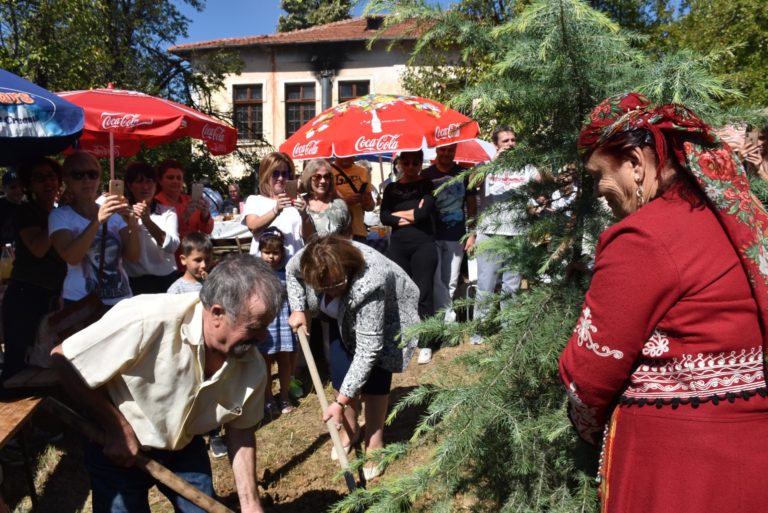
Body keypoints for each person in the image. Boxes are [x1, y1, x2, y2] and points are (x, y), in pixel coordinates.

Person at [559, 92, 768, 513]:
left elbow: (590, 375)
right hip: (752, 454)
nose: (599, 190)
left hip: (679, 467)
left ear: (636, 162)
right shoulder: (740, 218)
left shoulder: (644, 237)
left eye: (600, 173)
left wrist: (585, 425)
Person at [51, 254, 283, 513]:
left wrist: (250, 504)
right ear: (217, 313)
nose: (263, 337)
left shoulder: (250, 364)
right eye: (254, 327)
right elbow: (63, 358)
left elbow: (240, 431)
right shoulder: (146, 320)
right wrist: (117, 427)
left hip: (183, 444)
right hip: (115, 442)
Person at [286, 234, 419, 480]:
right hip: (341, 318)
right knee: (340, 371)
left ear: (348, 269)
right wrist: (297, 307)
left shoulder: (370, 282)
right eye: (322, 288)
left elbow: (369, 349)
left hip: (387, 316)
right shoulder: (311, 258)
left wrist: (339, 403)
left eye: (335, 285)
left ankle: (374, 442)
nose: (329, 293)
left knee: (376, 382)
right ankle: (350, 431)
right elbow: (291, 271)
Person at [468, 127, 539, 345]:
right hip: (489, 233)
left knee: (512, 285)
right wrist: (493, 161)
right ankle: (479, 330)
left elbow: (542, 180)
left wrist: (539, 162)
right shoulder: (486, 164)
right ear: (496, 144)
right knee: (486, 285)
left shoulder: (524, 166)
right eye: (505, 140)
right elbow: (472, 183)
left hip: (517, 233)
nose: (510, 143)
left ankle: (508, 329)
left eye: (513, 140)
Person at [0, 158, 66, 382]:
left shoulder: (62, 211)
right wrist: (56, 218)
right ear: (29, 185)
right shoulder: (26, 212)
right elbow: (38, 248)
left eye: (51, 176)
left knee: (48, 363)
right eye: (39, 178)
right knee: (19, 366)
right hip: (25, 296)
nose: (47, 182)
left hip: (55, 295)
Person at [49, 151, 140, 306]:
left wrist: (133, 226)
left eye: (93, 174)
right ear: (67, 180)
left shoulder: (114, 214)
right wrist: (97, 221)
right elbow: (72, 257)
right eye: (78, 175)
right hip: (82, 304)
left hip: (121, 301)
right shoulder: (59, 216)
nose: (87, 180)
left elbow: (133, 256)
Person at [379, 150, 438, 364]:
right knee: (401, 293)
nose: (411, 166)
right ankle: (405, 336)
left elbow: (423, 214)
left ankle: (426, 341)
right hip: (399, 246)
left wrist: (399, 216)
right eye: (407, 162)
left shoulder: (428, 185)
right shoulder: (392, 188)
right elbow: (384, 216)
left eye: (416, 162)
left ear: (421, 163)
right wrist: (410, 214)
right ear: (400, 163)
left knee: (423, 293)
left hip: (423, 244)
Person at [421, 144, 477, 325]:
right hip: (432, 235)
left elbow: (472, 205)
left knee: (451, 281)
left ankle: (446, 320)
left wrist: (472, 234)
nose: (446, 154)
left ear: (455, 152)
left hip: (457, 235)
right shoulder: (426, 175)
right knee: (436, 280)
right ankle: (443, 319)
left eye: (450, 150)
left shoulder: (463, 173)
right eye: (442, 150)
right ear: (436, 151)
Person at [255, 228, 297, 417]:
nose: (271, 257)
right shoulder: (256, 273)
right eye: (267, 252)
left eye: (275, 253)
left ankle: (284, 395)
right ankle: (268, 398)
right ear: (260, 252)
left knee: (285, 359)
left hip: (284, 319)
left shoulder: (287, 272)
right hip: (266, 322)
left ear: (282, 253)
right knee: (265, 361)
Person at [242, 152, 313, 259]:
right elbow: (253, 227)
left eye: (284, 174)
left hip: (292, 266)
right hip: (264, 269)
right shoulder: (255, 200)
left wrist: (304, 216)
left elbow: (308, 236)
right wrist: (276, 210)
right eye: (275, 173)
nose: (280, 178)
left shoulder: (297, 200)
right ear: (266, 175)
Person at [123, 162, 180, 294]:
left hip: (165, 280)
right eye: (139, 181)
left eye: (150, 182)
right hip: (134, 281)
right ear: (130, 186)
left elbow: (172, 247)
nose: (145, 187)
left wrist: (147, 221)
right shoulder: (123, 213)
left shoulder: (167, 212)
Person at [154, 159, 213, 271]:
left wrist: (205, 215)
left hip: (193, 263)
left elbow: (208, 230)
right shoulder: (156, 204)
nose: (175, 181)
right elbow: (164, 238)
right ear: (160, 181)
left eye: (179, 178)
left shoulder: (189, 200)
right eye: (170, 177)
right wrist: (184, 217)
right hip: (168, 264)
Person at [301, 158, 350, 236]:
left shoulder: (340, 206)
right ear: (309, 179)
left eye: (326, 176)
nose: (323, 181)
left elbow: (348, 237)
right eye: (317, 177)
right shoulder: (300, 203)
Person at [331, 156, 375, 243]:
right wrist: (344, 202)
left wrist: (366, 202)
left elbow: (371, 207)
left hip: (358, 232)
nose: (346, 157)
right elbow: (321, 203)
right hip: (335, 233)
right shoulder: (327, 172)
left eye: (350, 154)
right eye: (343, 153)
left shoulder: (362, 171)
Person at [0, 170, 24, 245]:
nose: (19, 190)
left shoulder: (29, 207)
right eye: (13, 187)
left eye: (21, 186)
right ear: (4, 188)